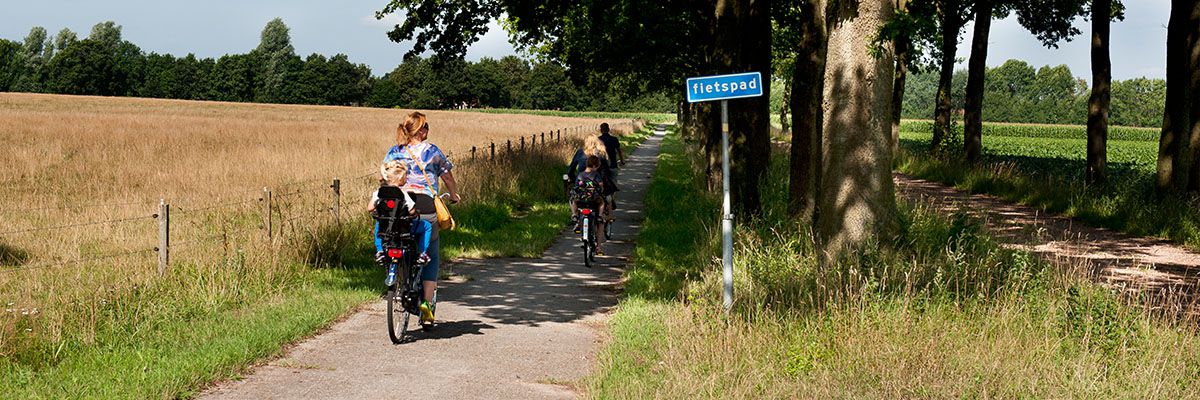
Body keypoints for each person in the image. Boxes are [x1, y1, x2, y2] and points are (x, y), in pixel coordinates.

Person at [381, 112, 461, 324]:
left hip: (398, 207)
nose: (428, 131)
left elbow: (383, 177)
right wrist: (453, 195)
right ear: (421, 130)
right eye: (426, 127)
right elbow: (447, 176)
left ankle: (397, 270)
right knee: (431, 255)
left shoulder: (393, 151)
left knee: (399, 237)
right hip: (425, 204)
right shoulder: (432, 151)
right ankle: (426, 307)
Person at [368, 160, 432, 272]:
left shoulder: (378, 193)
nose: (406, 179)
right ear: (400, 178)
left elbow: (369, 208)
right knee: (426, 226)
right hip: (404, 229)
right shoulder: (403, 195)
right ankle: (422, 253)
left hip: (386, 229)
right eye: (405, 177)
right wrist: (415, 211)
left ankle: (380, 251)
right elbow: (412, 212)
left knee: (379, 223)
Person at [568, 135, 616, 222]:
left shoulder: (580, 152)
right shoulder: (601, 153)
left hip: (581, 187)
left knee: (572, 198)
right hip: (596, 187)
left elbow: (571, 169)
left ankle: (575, 216)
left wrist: (574, 179)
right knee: (608, 198)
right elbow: (606, 172)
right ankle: (608, 216)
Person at [572, 155, 608, 255]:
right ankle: (599, 247)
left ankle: (575, 215)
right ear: (595, 165)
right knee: (602, 203)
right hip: (593, 200)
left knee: (573, 200)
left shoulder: (580, 174)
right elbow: (601, 187)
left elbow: (576, 187)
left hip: (581, 200)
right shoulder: (596, 174)